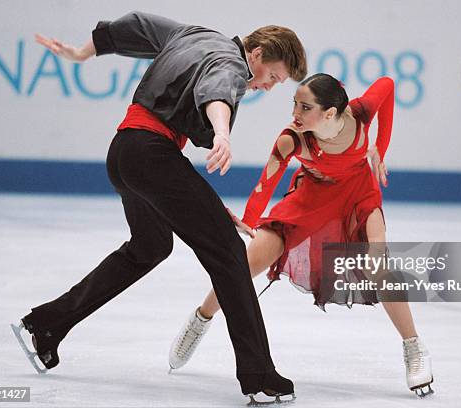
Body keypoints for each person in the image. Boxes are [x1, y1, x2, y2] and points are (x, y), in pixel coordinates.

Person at [9, 11, 307, 404]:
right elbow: (218, 89)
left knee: (150, 246)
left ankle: (48, 323)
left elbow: (136, 26)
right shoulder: (232, 63)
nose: (268, 87)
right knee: (229, 253)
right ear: (256, 54)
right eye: (273, 77)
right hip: (152, 154)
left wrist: (84, 52)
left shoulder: (194, 34)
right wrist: (221, 132)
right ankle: (258, 376)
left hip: (124, 151)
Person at [168, 74, 435, 397]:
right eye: (294, 103)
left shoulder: (361, 113)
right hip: (311, 195)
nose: (295, 113)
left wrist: (381, 147)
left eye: (305, 107)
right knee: (245, 262)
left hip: (359, 194)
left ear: (330, 113)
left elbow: (388, 85)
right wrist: (250, 221)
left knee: (377, 263)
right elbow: (265, 184)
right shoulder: (292, 138)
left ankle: (413, 347)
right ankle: (201, 318)